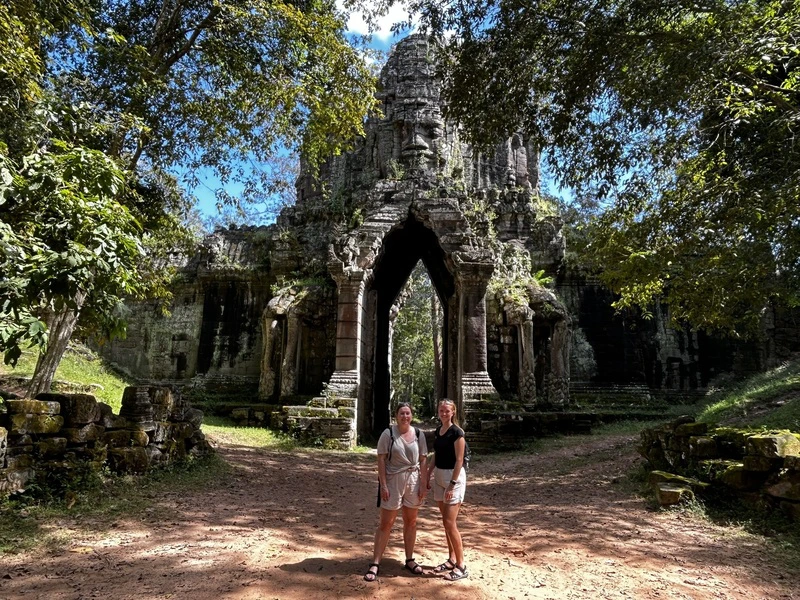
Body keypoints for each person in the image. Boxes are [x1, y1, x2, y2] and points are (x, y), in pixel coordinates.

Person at [364, 402, 428, 582]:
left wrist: (423, 483)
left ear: (412, 415)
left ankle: (409, 559)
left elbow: (423, 460)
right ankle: (375, 562)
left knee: (411, 521)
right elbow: (381, 460)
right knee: (386, 522)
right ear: (396, 415)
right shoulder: (388, 434)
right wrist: (383, 485)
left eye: (408, 413)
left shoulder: (418, 434)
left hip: (413, 481)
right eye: (402, 413)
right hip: (393, 480)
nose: (405, 417)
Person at [425, 398, 468, 581]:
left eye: (447, 411)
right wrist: (427, 473)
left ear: (453, 412)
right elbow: (436, 454)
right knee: (445, 522)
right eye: (441, 410)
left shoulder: (457, 433)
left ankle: (461, 565)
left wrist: (452, 484)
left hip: (454, 477)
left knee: (450, 523)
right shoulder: (438, 431)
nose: (443, 413)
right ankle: (451, 559)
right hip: (440, 476)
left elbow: (459, 460)